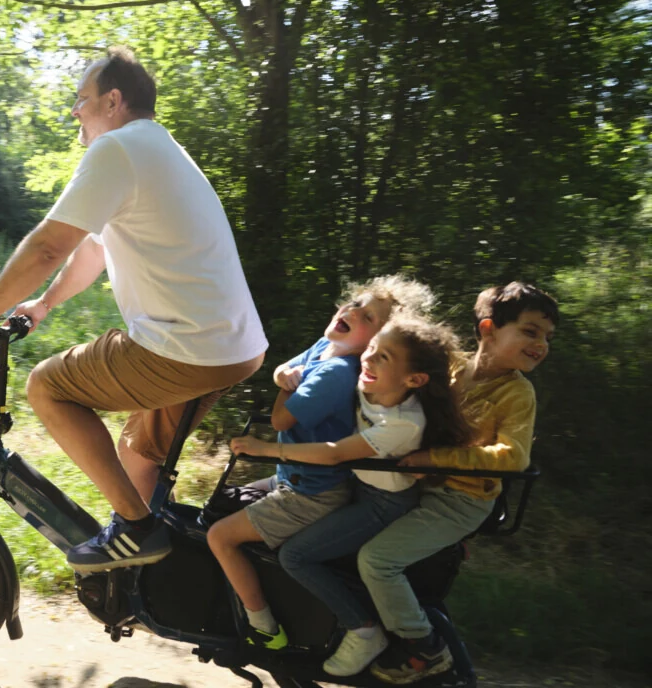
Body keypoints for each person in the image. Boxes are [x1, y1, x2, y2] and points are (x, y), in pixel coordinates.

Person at [0, 47, 267, 573]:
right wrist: (43, 304)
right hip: (232, 348)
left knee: (47, 386)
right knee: (138, 456)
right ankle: (151, 585)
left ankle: (138, 530)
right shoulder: (158, 150)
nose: (75, 111)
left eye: (82, 100)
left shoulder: (118, 148)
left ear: (114, 101)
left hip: (183, 348)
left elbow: (49, 247)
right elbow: (92, 247)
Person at [206, 276, 434, 650]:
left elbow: (281, 421)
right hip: (294, 477)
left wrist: (281, 392)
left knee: (220, 536)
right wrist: (283, 376)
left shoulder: (337, 372)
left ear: (377, 344)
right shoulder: (325, 347)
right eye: (355, 302)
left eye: (369, 316)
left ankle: (263, 626)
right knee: (223, 502)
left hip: (312, 491)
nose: (353, 310)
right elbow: (285, 369)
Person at [359, 282, 559, 685]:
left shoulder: (517, 392)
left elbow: (512, 457)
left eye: (547, 338)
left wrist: (433, 459)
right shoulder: (451, 368)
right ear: (488, 329)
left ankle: (424, 648)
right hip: (418, 486)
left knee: (377, 561)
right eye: (531, 331)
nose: (541, 345)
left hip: (461, 501)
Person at [250, 315, 472, 676]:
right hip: (353, 488)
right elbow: (299, 368)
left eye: (383, 357)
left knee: (297, 556)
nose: (367, 359)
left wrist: (265, 450)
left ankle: (363, 630)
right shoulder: (364, 381)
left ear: (414, 380)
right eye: (370, 348)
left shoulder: (403, 422)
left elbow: (334, 452)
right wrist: (282, 376)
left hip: (382, 505)